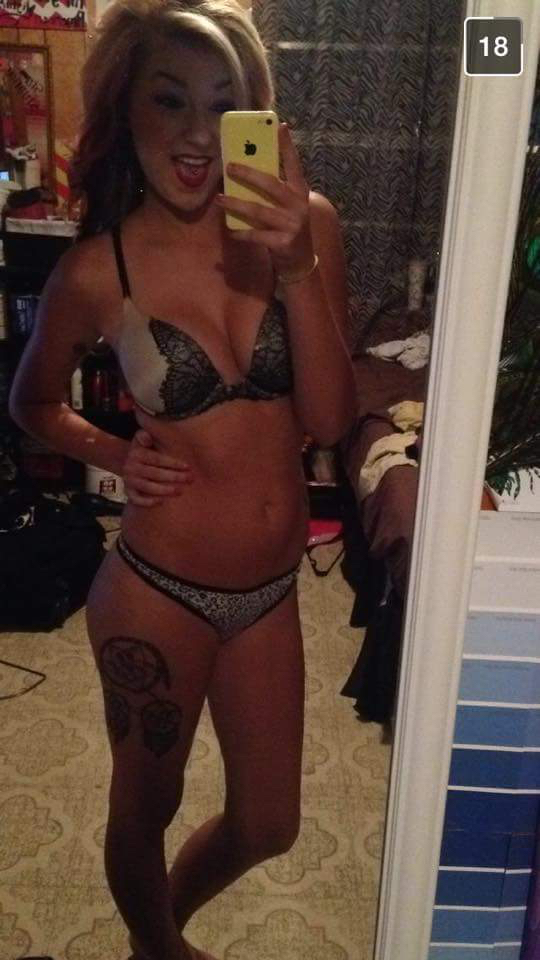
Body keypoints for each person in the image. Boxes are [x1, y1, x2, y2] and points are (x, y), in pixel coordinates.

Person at [9, 1, 356, 958]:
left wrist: (295, 268)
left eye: (225, 104)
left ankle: (161, 932)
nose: (200, 135)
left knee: (269, 823)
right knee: (144, 806)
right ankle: (158, 949)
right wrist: (117, 452)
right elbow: (32, 402)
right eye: (171, 101)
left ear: (258, 118)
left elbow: (332, 423)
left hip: (269, 593)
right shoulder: (97, 269)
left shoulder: (308, 228)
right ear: (127, 112)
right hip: (155, 592)